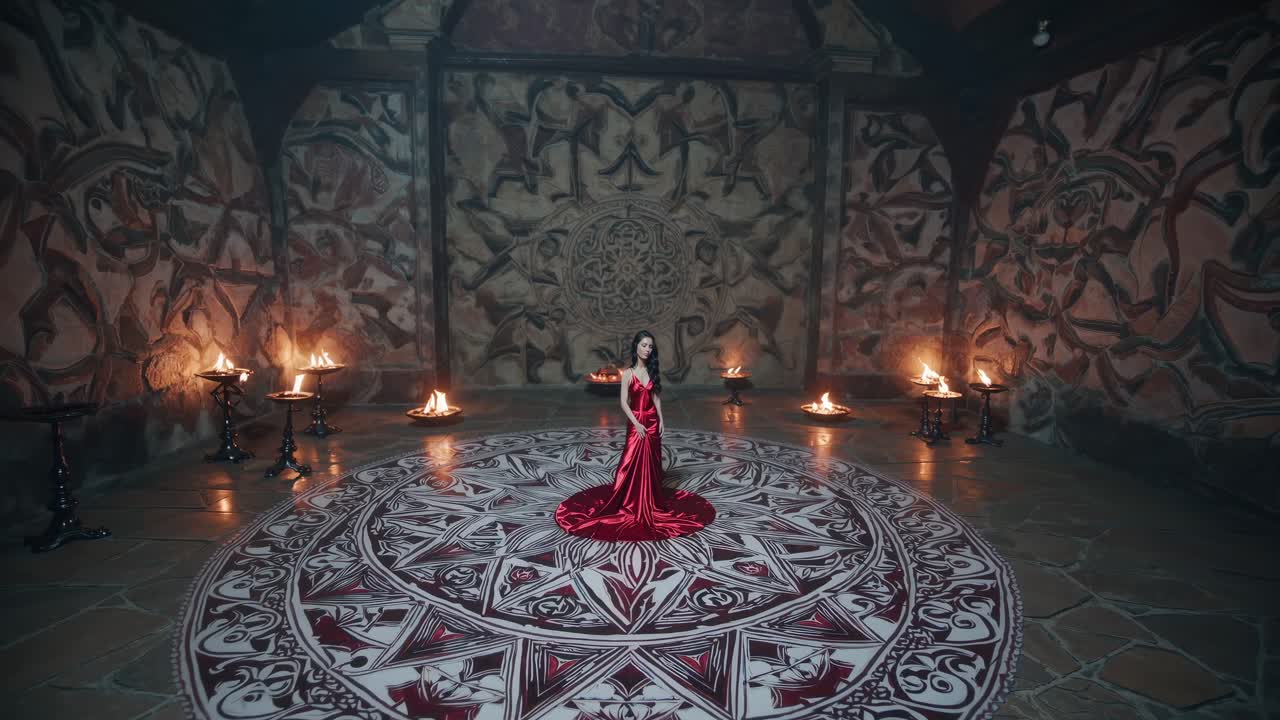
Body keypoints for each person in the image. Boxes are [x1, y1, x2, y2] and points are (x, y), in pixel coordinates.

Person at [556, 330, 714, 542]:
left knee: (652, 461)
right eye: (644, 345)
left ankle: (650, 500)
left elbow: (656, 398)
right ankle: (627, 500)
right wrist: (636, 423)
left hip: (652, 421)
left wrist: (661, 419)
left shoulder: (652, 371)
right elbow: (623, 402)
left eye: (650, 346)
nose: (648, 350)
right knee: (629, 461)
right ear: (636, 347)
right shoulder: (628, 373)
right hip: (636, 421)